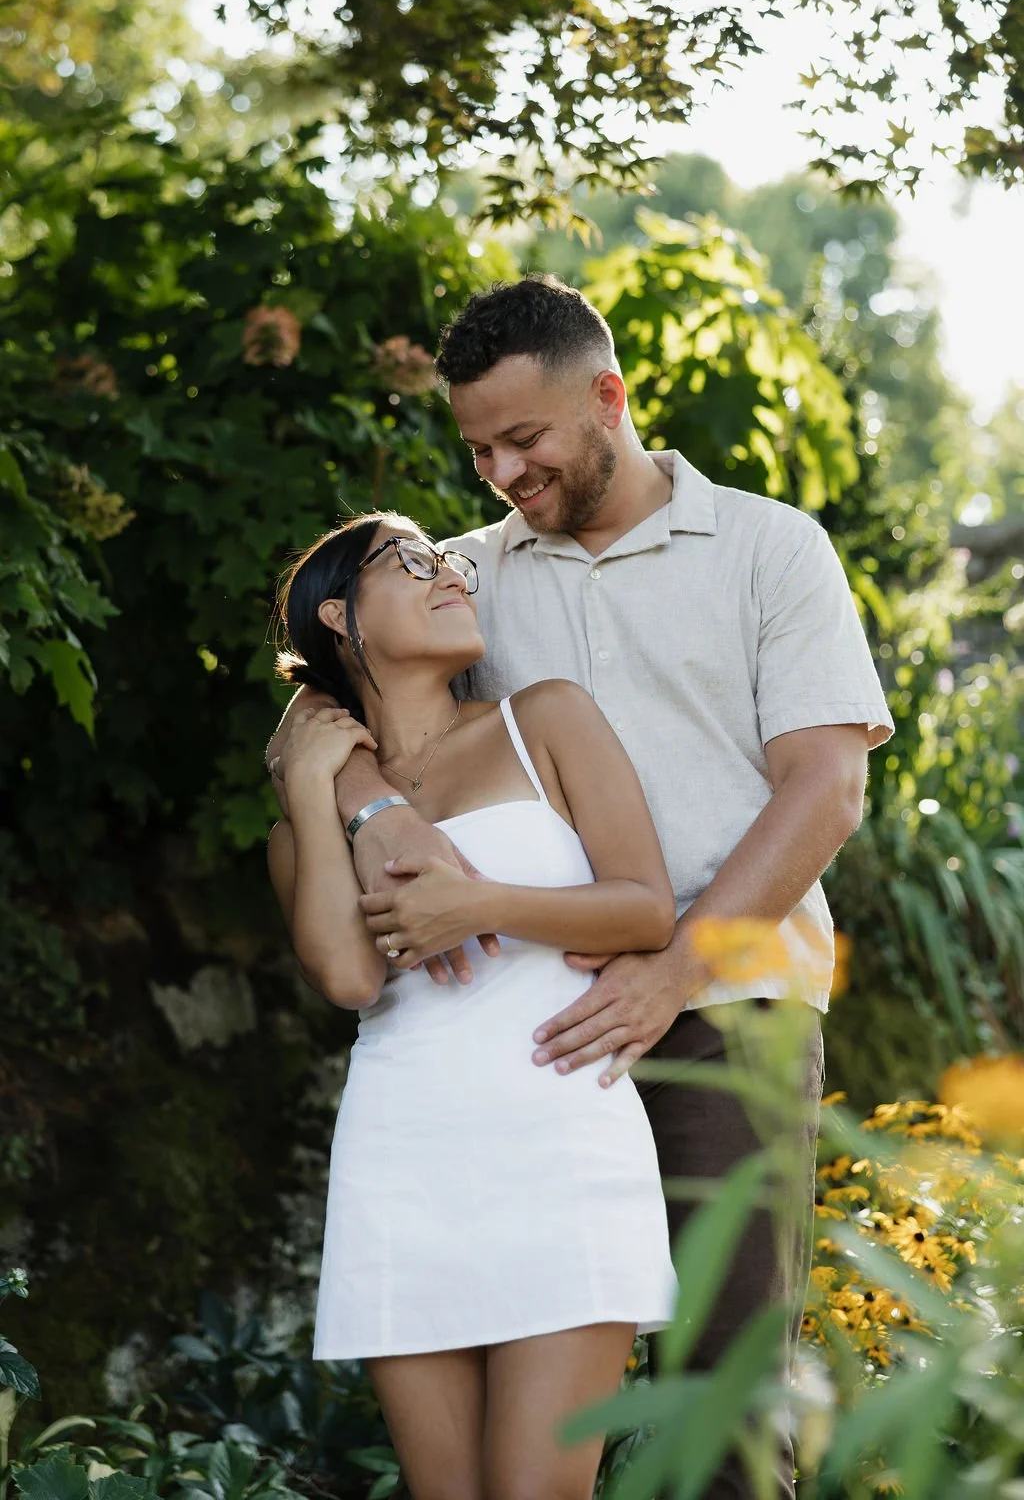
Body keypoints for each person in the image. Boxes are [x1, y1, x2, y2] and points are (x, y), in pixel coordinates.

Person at [267, 276, 895, 1499]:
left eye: (527, 438)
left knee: (720, 1395)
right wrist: (379, 812)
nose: (503, 470)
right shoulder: (461, 575)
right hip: (523, 1040)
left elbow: (824, 787)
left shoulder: (770, 549)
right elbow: (321, 707)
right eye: (479, 448)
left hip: (731, 1006)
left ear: (606, 398)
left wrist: (671, 971)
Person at [266, 512, 679, 1500]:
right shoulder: (310, 806)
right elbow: (350, 978)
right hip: (403, 1157)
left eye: (447, 559)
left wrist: (480, 903)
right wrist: (323, 781)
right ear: (338, 615)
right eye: (409, 561)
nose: (448, 573)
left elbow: (645, 908)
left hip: (562, 1142)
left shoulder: (543, 718)